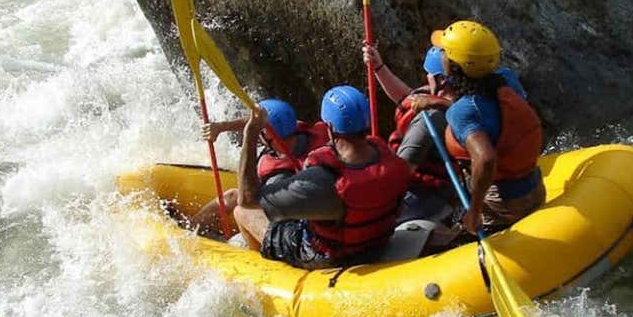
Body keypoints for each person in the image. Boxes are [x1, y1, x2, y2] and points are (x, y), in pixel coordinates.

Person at [232, 85, 411, 269]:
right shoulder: (392, 161)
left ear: (330, 128)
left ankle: (264, 270)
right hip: (376, 244)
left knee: (242, 212)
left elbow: (247, 199)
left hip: (329, 256)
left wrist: (250, 136)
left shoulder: (322, 180)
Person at [431, 20, 545, 236]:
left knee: (456, 239)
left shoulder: (462, 112)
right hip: (535, 188)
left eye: (444, 52)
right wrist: (436, 102)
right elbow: (492, 116)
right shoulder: (506, 80)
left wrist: (474, 212)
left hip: (503, 204)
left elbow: (486, 159)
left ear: (453, 65)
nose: (441, 55)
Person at [182, 99, 328, 239]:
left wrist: (249, 138)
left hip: (290, 224)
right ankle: (190, 227)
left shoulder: (278, 176)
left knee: (234, 199)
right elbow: (265, 122)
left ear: (268, 135)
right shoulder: (302, 131)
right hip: (314, 203)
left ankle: (187, 230)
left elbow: (247, 199)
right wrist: (222, 126)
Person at [362, 41, 458, 223]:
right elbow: (406, 98)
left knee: (373, 217)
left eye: (429, 73)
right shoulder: (454, 99)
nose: (426, 76)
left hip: (426, 195)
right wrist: (379, 67)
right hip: (438, 188)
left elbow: (401, 173)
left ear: (441, 80)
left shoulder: (431, 118)